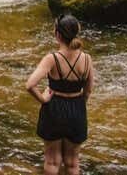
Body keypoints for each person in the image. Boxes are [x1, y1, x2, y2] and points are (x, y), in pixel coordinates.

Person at [26, 14, 95, 175]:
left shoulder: (52, 59)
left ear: (58, 35)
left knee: (52, 161)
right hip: (77, 108)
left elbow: (30, 84)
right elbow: (89, 89)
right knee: (72, 163)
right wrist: (79, 104)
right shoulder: (86, 59)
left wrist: (43, 98)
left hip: (54, 108)